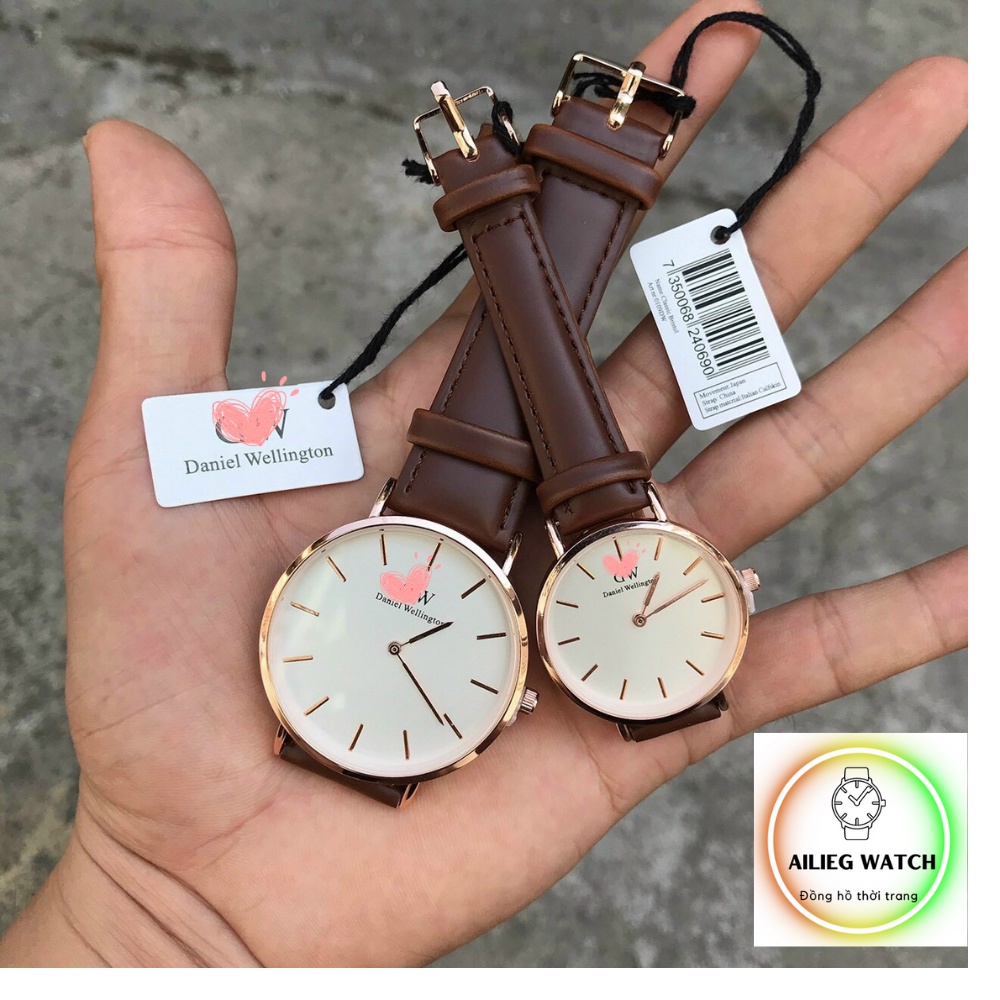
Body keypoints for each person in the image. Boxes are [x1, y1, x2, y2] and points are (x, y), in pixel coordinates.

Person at [0, 0, 967, 968]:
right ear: (519, 688)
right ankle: (529, 173)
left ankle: (540, 170)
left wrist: (158, 930)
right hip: (476, 538)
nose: (398, 639)